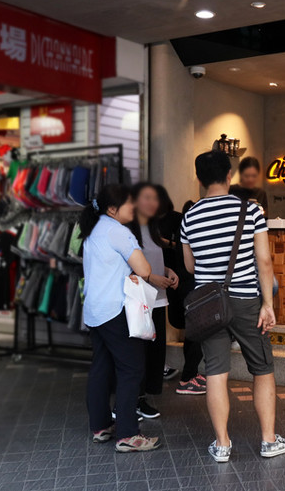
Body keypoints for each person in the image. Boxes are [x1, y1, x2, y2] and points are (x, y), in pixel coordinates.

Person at [181, 150, 285, 463]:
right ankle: (268, 441)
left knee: (216, 372)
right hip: (246, 300)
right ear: (229, 176)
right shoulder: (250, 210)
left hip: (209, 305)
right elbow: (264, 261)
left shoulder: (189, 216)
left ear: (199, 179)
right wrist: (267, 303)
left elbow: (190, 266)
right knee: (262, 369)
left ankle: (222, 445)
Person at [80, 184, 161, 453]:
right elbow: (144, 268)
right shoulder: (118, 231)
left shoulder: (94, 229)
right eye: (129, 203)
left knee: (101, 367)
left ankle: (101, 426)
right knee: (131, 369)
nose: (134, 207)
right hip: (115, 310)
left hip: (95, 310)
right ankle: (127, 434)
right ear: (113, 209)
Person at [128, 183, 180, 418]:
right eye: (146, 198)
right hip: (141, 299)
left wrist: (168, 271)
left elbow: (153, 259)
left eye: (154, 199)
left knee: (155, 353)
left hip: (158, 298)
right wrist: (151, 277)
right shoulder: (127, 230)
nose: (152, 203)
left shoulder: (151, 227)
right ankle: (134, 400)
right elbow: (126, 267)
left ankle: (141, 398)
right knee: (139, 352)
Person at [154, 189, 207, 395]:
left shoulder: (181, 222)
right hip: (181, 282)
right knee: (193, 331)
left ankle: (190, 374)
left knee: (194, 331)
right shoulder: (185, 227)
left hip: (185, 281)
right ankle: (188, 378)